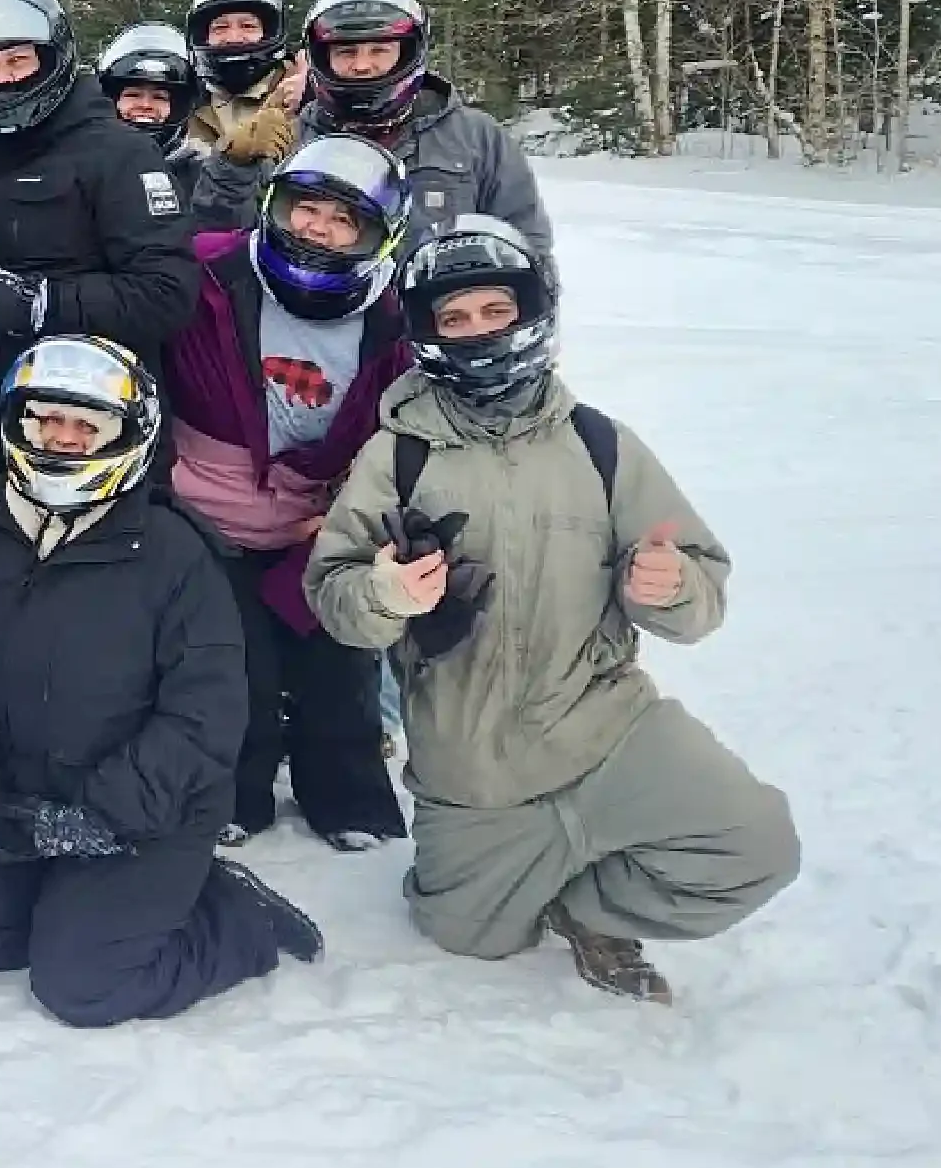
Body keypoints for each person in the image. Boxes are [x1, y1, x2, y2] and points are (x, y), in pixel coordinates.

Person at [306, 218, 798, 1003]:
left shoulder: (600, 443)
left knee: (758, 847)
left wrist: (668, 587)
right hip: (472, 761)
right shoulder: (396, 454)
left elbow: (701, 597)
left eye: (493, 310)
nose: (475, 331)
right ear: (426, 331)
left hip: (606, 731)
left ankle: (585, 903)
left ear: (529, 311)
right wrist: (385, 593)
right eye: (452, 317)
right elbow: (334, 602)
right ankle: (528, 866)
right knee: (466, 938)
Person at [0, 336, 322, 1026]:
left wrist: (98, 816)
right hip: (25, 795)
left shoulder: (174, 550)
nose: (62, 440)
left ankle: (235, 917)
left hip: (151, 811)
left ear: (126, 436)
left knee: (82, 984)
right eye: (46, 420)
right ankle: (87, 904)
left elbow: (202, 717)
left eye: (86, 425)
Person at [163, 137, 415, 851]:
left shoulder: (393, 317)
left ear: (377, 236)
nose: (317, 228)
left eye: (344, 220)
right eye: (305, 208)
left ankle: (349, 798)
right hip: (201, 512)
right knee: (233, 662)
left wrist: (353, 508)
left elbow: (404, 417)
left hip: (321, 518)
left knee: (341, 654)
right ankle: (232, 794)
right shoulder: (208, 269)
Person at [0, 0, 198, 474]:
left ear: (51, 58)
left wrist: (46, 303)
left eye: (18, 61)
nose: (3, 80)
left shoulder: (119, 153)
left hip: (94, 429)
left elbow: (167, 292)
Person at [299, 0, 553, 259]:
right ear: (322, 58)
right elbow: (244, 246)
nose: (362, 65)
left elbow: (526, 247)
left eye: (379, 50)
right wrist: (239, 168)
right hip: (321, 299)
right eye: (347, 51)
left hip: (436, 301)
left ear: (407, 52)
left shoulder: (477, 137)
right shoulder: (292, 137)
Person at [181, 0, 306, 231]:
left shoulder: (304, 96)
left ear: (269, 32)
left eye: (248, 26)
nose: (234, 38)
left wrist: (314, 90)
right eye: (220, 28)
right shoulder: (182, 101)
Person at [96, 22, 208, 210]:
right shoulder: (83, 162)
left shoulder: (201, 170)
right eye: (133, 95)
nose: (146, 105)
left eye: (159, 97)